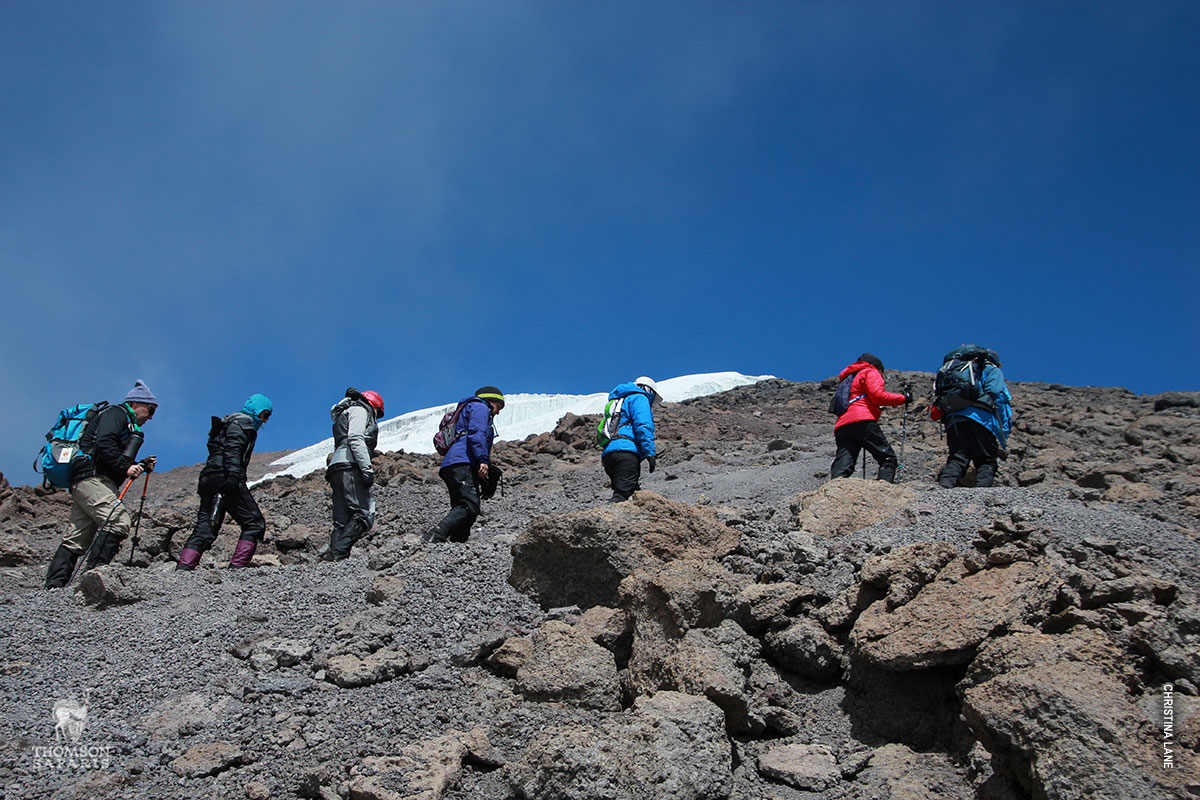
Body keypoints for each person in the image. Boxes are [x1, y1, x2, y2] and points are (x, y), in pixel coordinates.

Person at [44, 380, 159, 588]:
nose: (150, 417)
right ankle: (93, 580)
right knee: (118, 521)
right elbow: (104, 443)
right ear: (136, 403)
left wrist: (137, 465)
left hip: (85, 479)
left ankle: (53, 589)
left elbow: (106, 451)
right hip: (93, 478)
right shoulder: (117, 414)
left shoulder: (122, 418)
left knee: (76, 538)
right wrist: (126, 468)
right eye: (150, 410)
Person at [176, 394, 274, 570]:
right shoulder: (242, 424)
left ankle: (183, 570)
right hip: (226, 477)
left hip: (208, 479)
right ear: (257, 411)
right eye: (265, 414)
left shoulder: (226, 424)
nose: (264, 421)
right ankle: (237, 570)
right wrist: (233, 477)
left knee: (205, 529)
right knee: (254, 523)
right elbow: (233, 450)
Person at [424, 386, 504, 543]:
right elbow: (477, 434)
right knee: (469, 505)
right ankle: (435, 535)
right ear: (490, 400)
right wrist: (482, 460)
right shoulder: (480, 407)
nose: (497, 412)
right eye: (498, 407)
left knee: (465, 508)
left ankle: (457, 545)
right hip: (463, 461)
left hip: (453, 463)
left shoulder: (466, 409)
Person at [931, 345, 1012, 488]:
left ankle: (944, 486)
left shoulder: (956, 369)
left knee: (957, 457)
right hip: (981, 419)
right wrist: (1002, 433)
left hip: (954, 419)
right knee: (986, 460)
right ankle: (981, 493)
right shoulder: (990, 369)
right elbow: (995, 392)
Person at [323, 387, 385, 560]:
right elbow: (356, 438)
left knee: (341, 521)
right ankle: (339, 554)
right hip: (351, 465)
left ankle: (333, 560)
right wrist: (366, 468)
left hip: (336, 466)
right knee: (362, 514)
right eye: (378, 412)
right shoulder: (359, 410)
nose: (376, 416)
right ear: (374, 405)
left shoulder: (345, 412)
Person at [829, 354, 911, 483]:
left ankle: (833, 489)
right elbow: (878, 396)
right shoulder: (870, 371)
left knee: (844, 463)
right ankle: (883, 491)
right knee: (888, 458)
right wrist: (904, 398)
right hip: (862, 420)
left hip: (842, 424)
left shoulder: (848, 378)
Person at [601, 377, 660, 502]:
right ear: (649, 390)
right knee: (623, 495)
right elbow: (643, 425)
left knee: (633, 493)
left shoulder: (619, 400)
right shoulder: (639, 397)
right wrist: (649, 452)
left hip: (609, 454)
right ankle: (603, 517)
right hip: (626, 452)